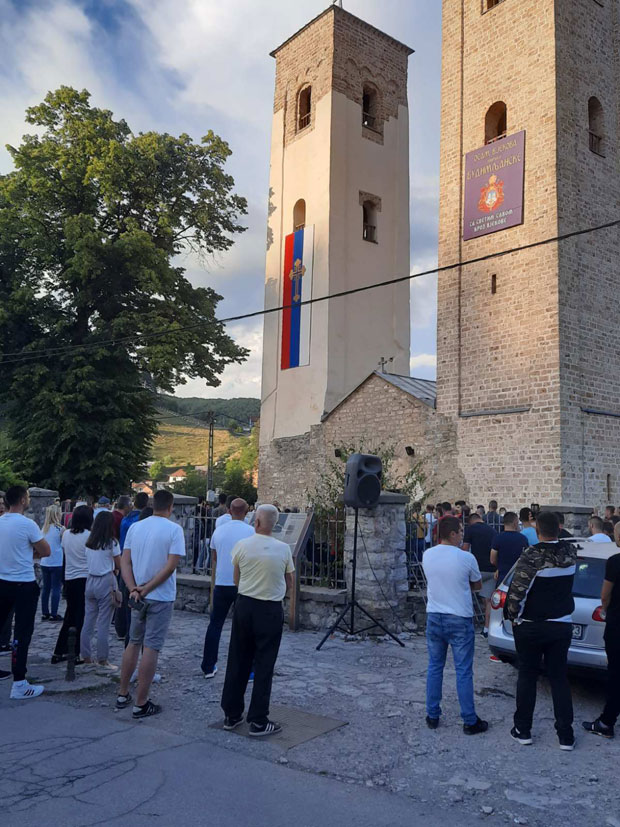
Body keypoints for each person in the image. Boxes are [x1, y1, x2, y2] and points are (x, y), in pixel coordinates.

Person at [504, 511, 577, 750]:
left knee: (527, 675)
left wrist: (513, 618)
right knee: (559, 678)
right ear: (559, 529)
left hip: (532, 625)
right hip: (561, 623)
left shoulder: (531, 555)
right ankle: (566, 735)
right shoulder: (570, 552)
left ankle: (523, 729)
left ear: (537, 532)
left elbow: (517, 592)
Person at [221, 504, 294, 736]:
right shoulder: (284, 549)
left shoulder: (242, 546)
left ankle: (232, 713)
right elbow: (289, 581)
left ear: (257, 522)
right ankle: (259, 719)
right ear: (275, 524)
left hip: (245, 604)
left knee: (238, 658)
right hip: (270, 608)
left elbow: (236, 578)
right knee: (265, 663)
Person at [116, 489, 185, 719]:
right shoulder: (174, 530)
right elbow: (170, 566)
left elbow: (125, 562)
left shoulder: (136, 527)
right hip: (160, 596)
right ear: (171, 506)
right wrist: (147, 588)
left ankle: (123, 693)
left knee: (133, 642)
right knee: (151, 647)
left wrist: (133, 588)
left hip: (137, 595)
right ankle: (141, 702)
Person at [422, 516, 487, 734]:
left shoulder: (428, 555)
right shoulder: (466, 558)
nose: (462, 535)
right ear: (452, 534)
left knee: (434, 666)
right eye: (460, 532)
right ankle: (469, 719)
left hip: (434, 615)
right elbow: (477, 585)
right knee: (463, 670)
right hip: (459, 616)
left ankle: (432, 714)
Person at [0, 486, 51, 697]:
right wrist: (28, 553)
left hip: (2, 581)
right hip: (23, 582)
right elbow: (46, 550)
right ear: (22, 500)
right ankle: (19, 682)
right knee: (22, 633)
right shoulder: (27, 524)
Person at [201, 498, 255, 678]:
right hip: (243, 584)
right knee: (245, 627)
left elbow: (214, 557)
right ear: (246, 512)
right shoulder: (251, 531)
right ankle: (248, 669)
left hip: (222, 583)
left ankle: (208, 666)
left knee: (215, 624)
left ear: (229, 511)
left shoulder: (219, 531)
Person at [583, 521, 620, 738]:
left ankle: (606, 723)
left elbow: (605, 595)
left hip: (617, 624)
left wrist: (605, 610)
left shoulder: (615, 562)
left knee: (616, 673)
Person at [52, 505, 93, 664]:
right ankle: (75, 652)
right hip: (84, 578)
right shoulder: (89, 536)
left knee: (70, 614)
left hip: (70, 578)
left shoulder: (66, 535)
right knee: (80, 616)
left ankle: (59, 650)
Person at [80, 511, 121, 668]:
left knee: (88, 621)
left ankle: (86, 656)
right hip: (106, 580)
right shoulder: (112, 543)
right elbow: (119, 563)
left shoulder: (89, 542)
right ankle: (103, 659)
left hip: (90, 580)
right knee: (104, 623)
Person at [115, 492, 150, 642]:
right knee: (134, 598)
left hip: (124, 557)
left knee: (123, 597)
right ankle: (131, 631)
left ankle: (120, 628)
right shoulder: (141, 521)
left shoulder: (126, 519)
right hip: (136, 561)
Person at [462, 512, 498, 637]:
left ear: (471, 521)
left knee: (465, 594)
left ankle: (465, 625)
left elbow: (465, 549)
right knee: (488, 601)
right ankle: (487, 629)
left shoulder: (470, 529)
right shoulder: (492, 530)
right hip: (491, 569)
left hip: (476, 569)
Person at [40, 504, 64, 621]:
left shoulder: (43, 529)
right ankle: (54, 613)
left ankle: (45, 612)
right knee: (56, 588)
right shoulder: (61, 529)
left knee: (46, 588)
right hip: (56, 561)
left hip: (45, 561)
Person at [490, 512, 529, 585]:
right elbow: (526, 558)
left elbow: (492, 560)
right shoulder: (523, 539)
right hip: (518, 575)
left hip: (502, 575)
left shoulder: (498, 538)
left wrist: (499, 567)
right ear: (515, 523)